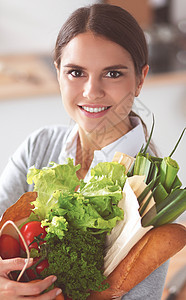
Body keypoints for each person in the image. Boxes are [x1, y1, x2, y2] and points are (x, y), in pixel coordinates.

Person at [0, 3, 168, 300]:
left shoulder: (155, 195)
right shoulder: (38, 146)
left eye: (113, 74)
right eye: (76, 72)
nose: (91, 91)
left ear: (140, 79)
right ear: (58, 73)